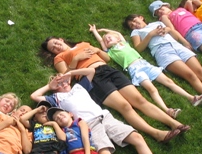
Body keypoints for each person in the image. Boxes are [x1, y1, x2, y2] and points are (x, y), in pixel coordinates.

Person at [32, 68, 188, 154]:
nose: (63, 83)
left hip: (105, 116)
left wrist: (70, 72)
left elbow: (92, 71)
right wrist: (49, 86)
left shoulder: (79, 87)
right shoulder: (56, 98)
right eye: (59, 84)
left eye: (64, 81)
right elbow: (34, 96)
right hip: (89, 125)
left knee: (137, 137)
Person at [41, 37, 183, 142]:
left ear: (60, 39)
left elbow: (107, 58)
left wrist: (97, 50)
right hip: (94, 79)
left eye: (55, 42)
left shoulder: (83, 43)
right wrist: (76, 59)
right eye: (53, 48)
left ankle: (174, 124)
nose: (57, 46)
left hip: (108, 70)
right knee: (125, 106)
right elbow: (67, 77)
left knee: (140, 100)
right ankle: (156, 133)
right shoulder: (59, 58)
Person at [123, 14, 202, 110]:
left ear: (141, 17)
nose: (134, 24)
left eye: (134, 20)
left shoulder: (156, 24)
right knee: (190, 75)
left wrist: (171, 32)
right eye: (131, 25)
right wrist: (150, 35)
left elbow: (174, 34)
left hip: (177, 47)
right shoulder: (136, 33)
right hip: (163, 52)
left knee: (201, 72)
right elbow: (138, 49)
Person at [88, 24, 202, 111]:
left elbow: (118, 34)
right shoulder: (110, 51)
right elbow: (101, 41)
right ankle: (167, 110)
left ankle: (192, 98)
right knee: (152, 89)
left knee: (169, 81)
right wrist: (95, 32)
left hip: (145, 64)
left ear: (117, 38)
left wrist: (105, 29)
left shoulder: (123, 42)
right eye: (106, 39)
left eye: (110, 36)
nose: (107, 38)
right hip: (134, 69)